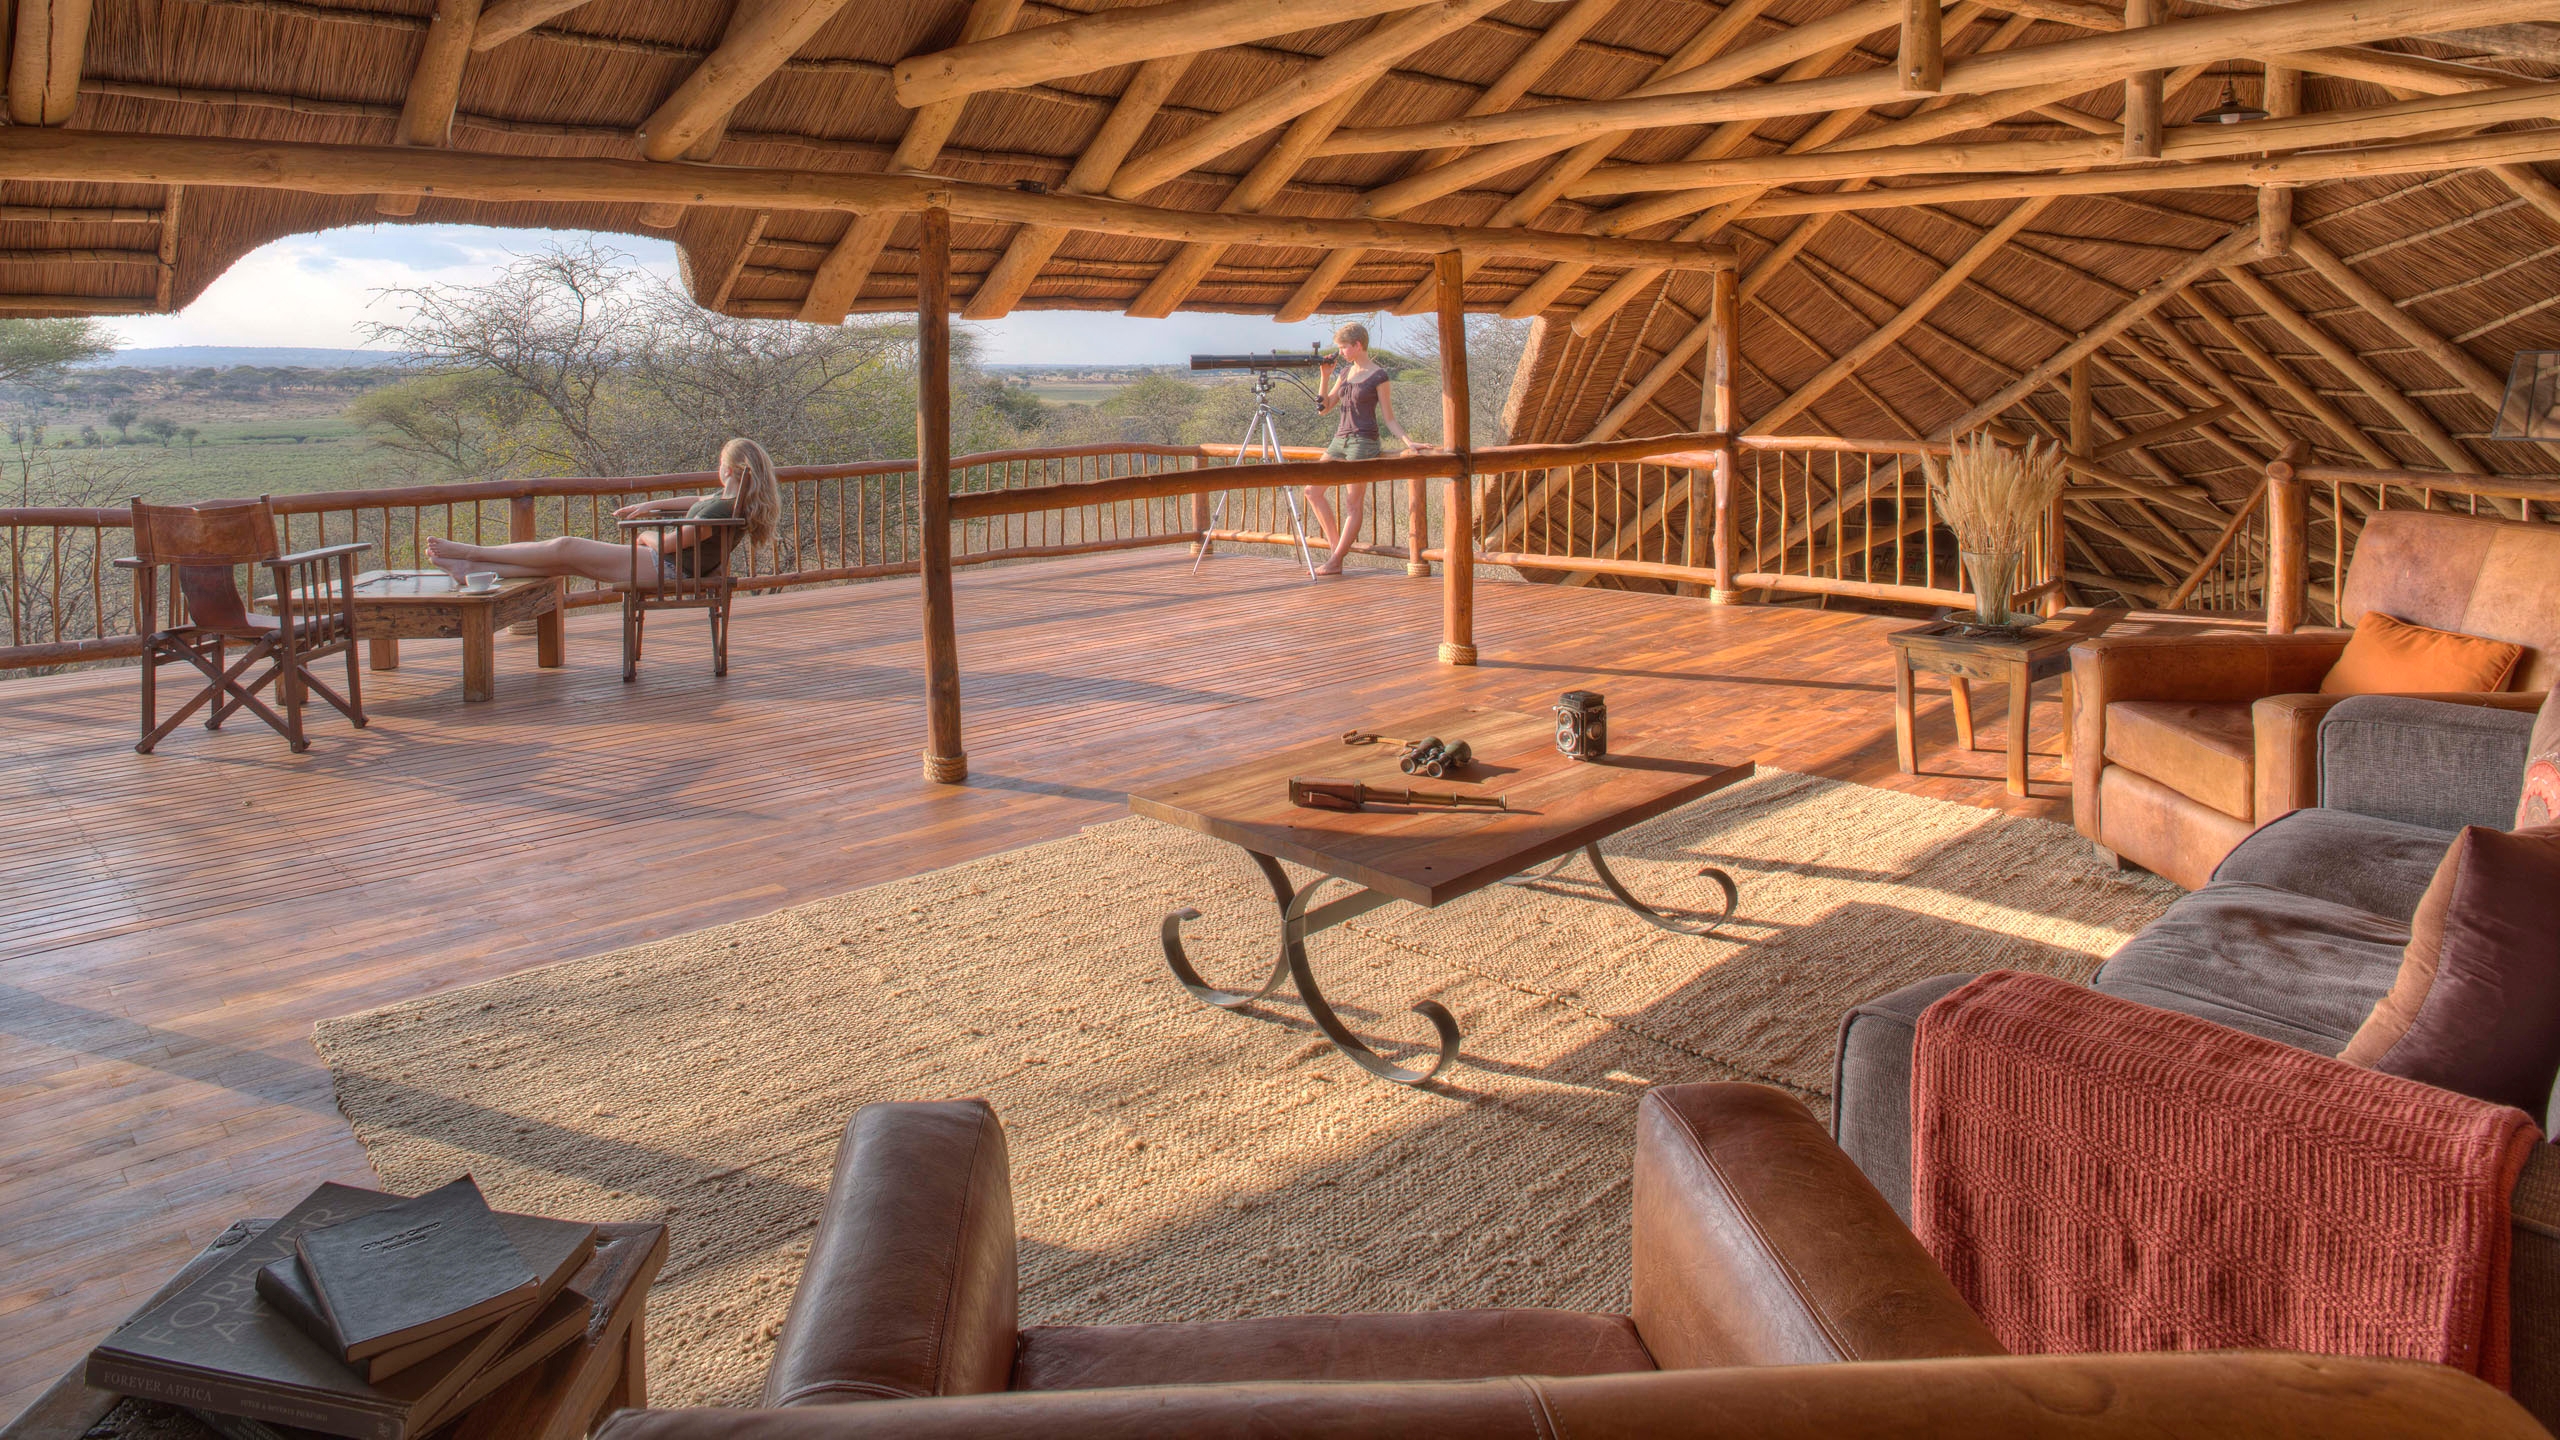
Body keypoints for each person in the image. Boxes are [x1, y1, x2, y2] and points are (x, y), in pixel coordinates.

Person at [425, 437, 780, 589]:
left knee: (565, 547)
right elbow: (695, 500)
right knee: (564, 563)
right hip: (670, 567)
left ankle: (471, 552)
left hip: (666, 570)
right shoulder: (728, 501)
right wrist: (651, 505)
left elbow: (668, 544)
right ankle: (474, 570)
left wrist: (643, 534)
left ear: (728, 469)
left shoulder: (720, 510)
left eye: (719, 464)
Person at [1306, 322, 1431, 577]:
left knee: (1353, 503)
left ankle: (1335, 560)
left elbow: (1389, 418)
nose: (1340, 352)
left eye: (1344, 347)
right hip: (1339, 439)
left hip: (1364, 441)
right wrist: (1325, 376)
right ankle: (1336, 553)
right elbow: (1323, 409)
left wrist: (1409, 442)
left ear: (1357, 345)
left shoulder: (1378, 376)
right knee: (1311, 491)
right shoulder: (1344, 373)